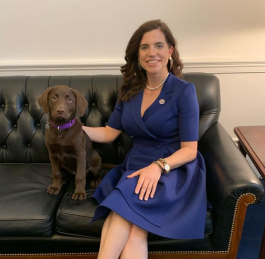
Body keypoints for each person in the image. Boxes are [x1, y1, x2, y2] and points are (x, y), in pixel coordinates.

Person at [82, 19, 207, 259]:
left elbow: (190, 150)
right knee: (134, 228)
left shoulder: (184, 91)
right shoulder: (130, 89)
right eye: (144, 47)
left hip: (173, 168)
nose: (152, 53)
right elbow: (110, 132)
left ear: (170, 51)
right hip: (137, 164)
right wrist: (73, 128)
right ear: (137, 54)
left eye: (159, 46)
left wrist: (159, 167)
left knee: (123, 216)